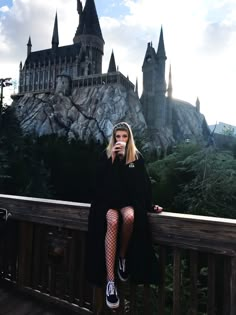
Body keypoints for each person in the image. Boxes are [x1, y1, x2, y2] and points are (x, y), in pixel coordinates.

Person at [86, 122, 163, 309]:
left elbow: (142, 186)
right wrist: (112, 161)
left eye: (124, 137)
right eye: (118, 137)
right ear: (113, 138)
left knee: (129, 217)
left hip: (127, 203)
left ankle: (122, 256)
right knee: (112, 222)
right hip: (108, 203)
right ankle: (110, 282)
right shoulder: (105, 156)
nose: (121, 140)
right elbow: (98, 185)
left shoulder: (136, 158)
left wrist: (151, 206)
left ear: (129, 138)